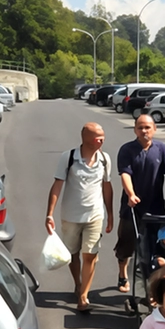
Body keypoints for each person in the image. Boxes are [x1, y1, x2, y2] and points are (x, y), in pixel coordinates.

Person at [45, 122, 114, 313]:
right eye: (97, 136)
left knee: (90, 255)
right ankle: (78, 283)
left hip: (95, 215)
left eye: (103, 136)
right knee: (72, 254)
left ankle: (84, 295)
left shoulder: (105, 159)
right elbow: (57, 185)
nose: (101, 139)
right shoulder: (68, 158)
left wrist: (110, 214)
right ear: (86, 138)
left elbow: (107, 187)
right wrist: (49, 213)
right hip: (71, 216)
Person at [116, 114, 165, 292]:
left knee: (156, 246)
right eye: (140, 127)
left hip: (155, 209)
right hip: (132, 207)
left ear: (154, 129)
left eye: (147, 127)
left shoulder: (162, 149)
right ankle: (122, 276)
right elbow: (125, 174)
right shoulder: (127, 150)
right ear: (135, 129)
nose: (144, 131)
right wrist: (131, 194)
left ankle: (153, 283)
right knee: (126, 245)